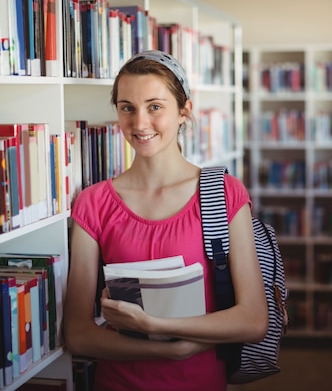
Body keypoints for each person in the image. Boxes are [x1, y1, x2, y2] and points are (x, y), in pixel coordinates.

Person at [63, 50, 268, 391]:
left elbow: (253, 319)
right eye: (127, 107)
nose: (140, 123)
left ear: (184, 110)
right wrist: (176, 349)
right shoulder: (93, 202)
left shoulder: (223, 193)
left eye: (155, 106)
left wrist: (154, 324)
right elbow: (79, 335)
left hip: (199, 383)